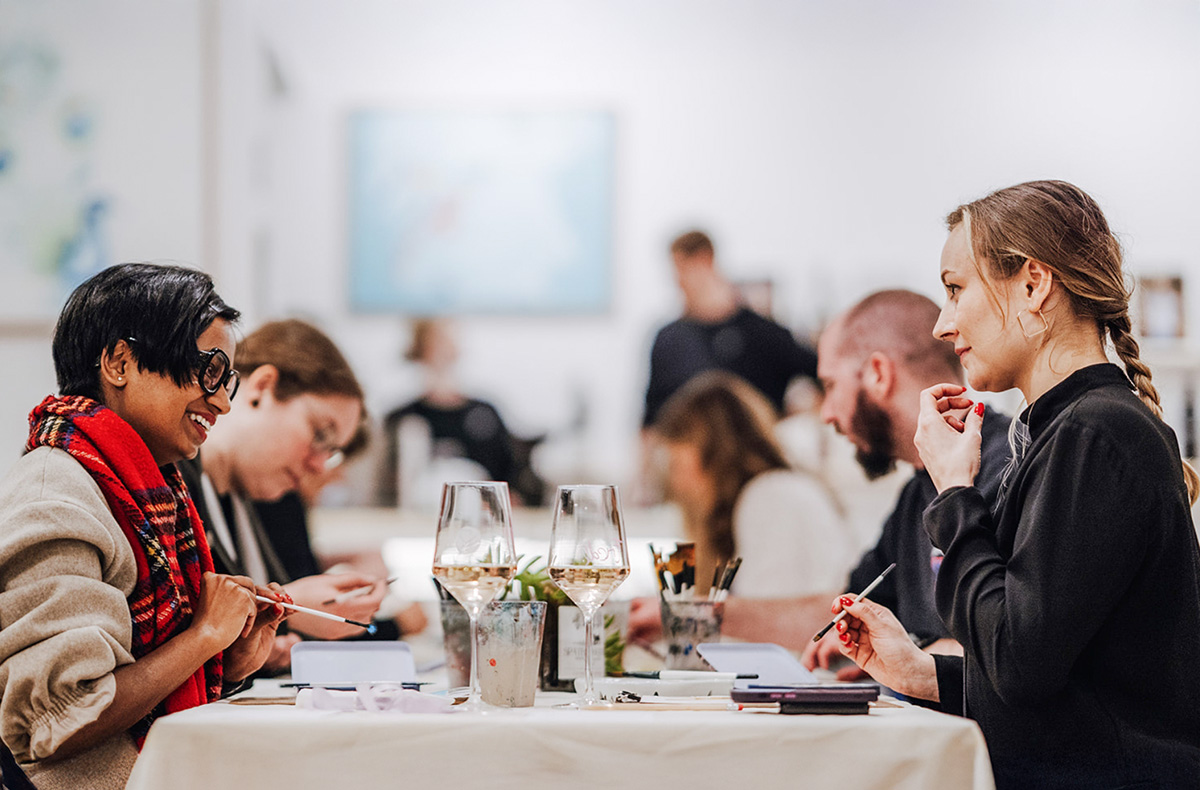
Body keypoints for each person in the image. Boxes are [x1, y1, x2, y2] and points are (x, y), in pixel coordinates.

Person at [832, 181, 1200, 788]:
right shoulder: (1069, 433)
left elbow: (1017, 664)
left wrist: (953, 492)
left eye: (955, 290)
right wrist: (919, 672)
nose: (942, 326)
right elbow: (1051, 680)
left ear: (1033, 284)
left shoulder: (1095, 434)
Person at [0, 263, 288, 790]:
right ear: (120, 361)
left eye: (228, 380)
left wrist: (230, 664)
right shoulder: (57, 491)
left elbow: (144, 685)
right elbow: (59, 721)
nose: (222, 402)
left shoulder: (150, 489)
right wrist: (203, 637)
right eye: (209, 370)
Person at [628, 290, 1011, 659]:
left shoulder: (1013, 467)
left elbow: (1016, 644)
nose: (825, 413)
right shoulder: (916, 496)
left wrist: (912, 659)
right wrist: (696, 614)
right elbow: (839, 617)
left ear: (878, 374)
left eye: (830, 386)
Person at [177, 319, 388, 670]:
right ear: (261, 387)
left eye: (332, 451)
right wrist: (291, 607)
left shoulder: (248, 495)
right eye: (321, 434)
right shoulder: (173, 482)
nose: (321, 466)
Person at [653, 371, 854, 598]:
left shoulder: (771, 498)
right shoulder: (774, 491)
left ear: (715, 459)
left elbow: (767, 615)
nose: (677, 485)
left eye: (677, 466)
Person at [642, 230, 817, 428]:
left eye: (681, 270)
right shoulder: (668, 339)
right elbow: (650, 418)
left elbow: (817, 371)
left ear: (704, 261)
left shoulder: (760, 332)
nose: (677, 282)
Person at [381, 318, 545, 507]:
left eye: (448, 340)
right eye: (437, 342)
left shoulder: (485, 413)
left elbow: (511, 472)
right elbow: (389, 485)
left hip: (483, 517)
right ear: (419, 349)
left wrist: (506, 500)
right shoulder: (402, 418)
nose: (444, 349)